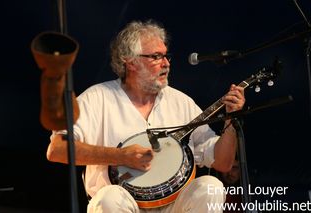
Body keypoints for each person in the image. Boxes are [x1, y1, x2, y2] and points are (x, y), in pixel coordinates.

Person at [43, 20, 245, 212]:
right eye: (156, 56)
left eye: (166, 56)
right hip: (121, 205)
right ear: (130, 62)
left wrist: (230, 119)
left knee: (211, 186)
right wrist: (120, 156)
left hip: (173, 206)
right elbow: (57, 149)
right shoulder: (97, 98)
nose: (166, 63)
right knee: (109, 198)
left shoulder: (181, 102)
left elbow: (222, 163)